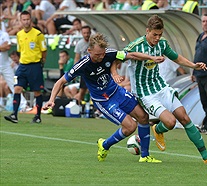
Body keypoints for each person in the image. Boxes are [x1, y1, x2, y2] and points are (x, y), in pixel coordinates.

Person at [43, 33, 164, 163]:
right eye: (97, 55)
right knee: (130, 126)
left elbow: (132, 55)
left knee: (143, 117)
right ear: (89, 51)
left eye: (102, 54)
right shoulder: (83, 65)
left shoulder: (109, 54)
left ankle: (145, 156)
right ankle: (105, 145)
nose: (101, 57)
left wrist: (151, 57)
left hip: (117, 92)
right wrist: (51, 100)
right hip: (104, 101)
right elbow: (60, 82)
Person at [119, 14, 207, 164]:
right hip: (145, 93)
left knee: (185, 118)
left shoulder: (162, 43)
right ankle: (159, 129)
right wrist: (116, 73)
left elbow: (177, 58)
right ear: (147, 31)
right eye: (154, 35)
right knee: (170, 122)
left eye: (160, 34)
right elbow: (120, 56)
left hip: (160, 87)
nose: (157, 38)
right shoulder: (137, 45)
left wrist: (193, 65)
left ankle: (206, 156)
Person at [4, 10, 47, 124]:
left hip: (35, 66)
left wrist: (41, 62)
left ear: (31, 20)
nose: (26, 21)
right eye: (24, 19)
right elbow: (20, 50)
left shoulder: (38, 34)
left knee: (37, 92)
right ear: (21, 21)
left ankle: (37, 116)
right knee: (17, 88)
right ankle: (14, 115)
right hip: (22, 66)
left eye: (28, 19)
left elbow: (44, 51)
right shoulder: (19, 34)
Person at [73, 25, 91, 103]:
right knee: (82, 89)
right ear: (82, 33)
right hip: (85, 69)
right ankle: (80, 106)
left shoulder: (93, 43)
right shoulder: (80, 44)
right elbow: (77, 57)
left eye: (87, 33)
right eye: (84, 33)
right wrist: (75, 70)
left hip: (93, 68)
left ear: (90, 33)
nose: (86, 35)